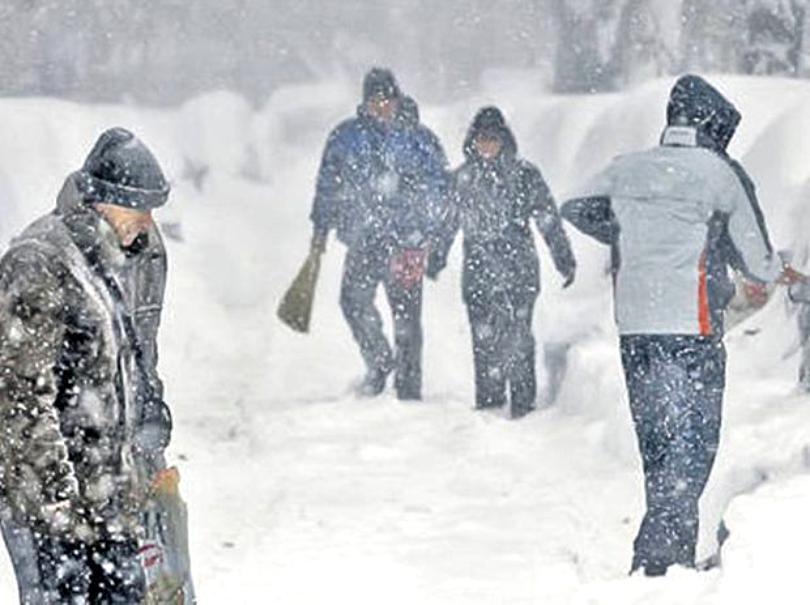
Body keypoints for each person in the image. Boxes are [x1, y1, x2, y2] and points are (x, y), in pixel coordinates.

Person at [561, 75, 804, 576]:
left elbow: (577, 206)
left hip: (635, 329)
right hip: (690, 328)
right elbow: (758, 264)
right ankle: (657, 562)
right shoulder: (719, 174)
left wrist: (634, 234)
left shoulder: (626, 168)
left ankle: (666, 555)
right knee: (692, 443)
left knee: (657, 439)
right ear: (714, 126)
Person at [0, 128, 194, 602]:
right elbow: (17, 394)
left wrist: (148, 434)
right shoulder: (40, 263)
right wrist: (57, 500)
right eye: (139, 208)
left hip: (110, 499)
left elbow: (132, 361)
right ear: (102, 201)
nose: (147, 222)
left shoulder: (123, 257)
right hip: (50, 507)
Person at [308, 68, 448, 400]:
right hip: (364, 239)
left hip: (407, 245)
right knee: (353, 302)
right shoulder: (346, 137)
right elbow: (328, 184)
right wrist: (320, 228)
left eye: (387, 99)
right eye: (375, 100)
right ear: (365, 102)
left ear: (397, 99)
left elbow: (441, 188)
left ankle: (409, 388)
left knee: (408, 319)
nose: (381, 106)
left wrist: (428, 231)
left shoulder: (420, 139)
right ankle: (380, 360)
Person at [428, 107, 576, 418]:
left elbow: (548, 219)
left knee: (519, 337)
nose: (487, 146)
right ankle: (490, 401)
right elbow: (446, 224)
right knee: (484, 340)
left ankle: (523, 402)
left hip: (519, 270)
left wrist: (563, 258)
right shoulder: (462, 179)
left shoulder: (524, 175)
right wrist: (436, 258)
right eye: (482, 139)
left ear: (504, 140)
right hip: (478, 272)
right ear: (473, 141)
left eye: (493, 139)